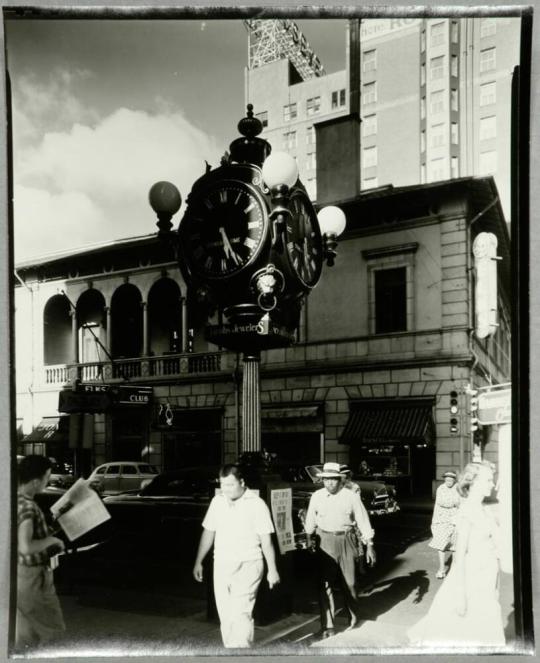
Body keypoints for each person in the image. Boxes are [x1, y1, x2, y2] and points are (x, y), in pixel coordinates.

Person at [407, 461, 505, 647]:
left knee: (481, 628)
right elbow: (459, 558)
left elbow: (498, 545)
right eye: (488, 480)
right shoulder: (467, 511)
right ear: (472, 482)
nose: (492, 484)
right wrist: (460, 594)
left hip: (487, 575)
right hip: (471, 577)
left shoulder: (485, 510)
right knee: (463, 631)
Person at [192, 464, 280, 648]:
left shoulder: (257, 504)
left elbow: (267, 541)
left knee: (241, 613)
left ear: (242, 482)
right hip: (222, 564)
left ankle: (241, 653)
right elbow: (209, 532)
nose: (226, 489)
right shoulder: (217, 502)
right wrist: (199, 561)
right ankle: (231, 651)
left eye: (230, 485)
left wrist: (272, 570)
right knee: (226, 615)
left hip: (249, 564)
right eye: (223, 485)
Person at [304, 461, 376, 638]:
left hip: (346, 539)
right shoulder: (317, 496)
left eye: (333, 480)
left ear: (340, 480)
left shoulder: (351, 497)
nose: (329, 483)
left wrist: (370, 546)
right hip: (324, 541)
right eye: (326, 480)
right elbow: (310, 520)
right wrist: (308, 537)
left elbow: (362, 520)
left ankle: (354, 615)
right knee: (324, 584)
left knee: (350, 583)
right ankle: (327, 626)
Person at [16, 455, 66, 650]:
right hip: (34, 577)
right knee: (53, 632)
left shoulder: (15, 500)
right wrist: (53, 540)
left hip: (19, 575)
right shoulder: (29, 507)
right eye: (47, 477)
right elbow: (26, 546)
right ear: (36, 481)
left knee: (26, 634)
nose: (49, 480)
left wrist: (55, 525)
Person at [429, 470, 461, 579]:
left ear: (454, 480)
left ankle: (454, 570)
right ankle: (442, 569)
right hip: (442, 520)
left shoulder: (457, 488)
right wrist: (455, 503)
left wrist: (457, 503)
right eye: (447, 479)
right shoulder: (441, 489)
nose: (448, 481)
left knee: (455, 546)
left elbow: (461, 501)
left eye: (451, 479)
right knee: (441, 545)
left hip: (455, 520)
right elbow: (443, 502)